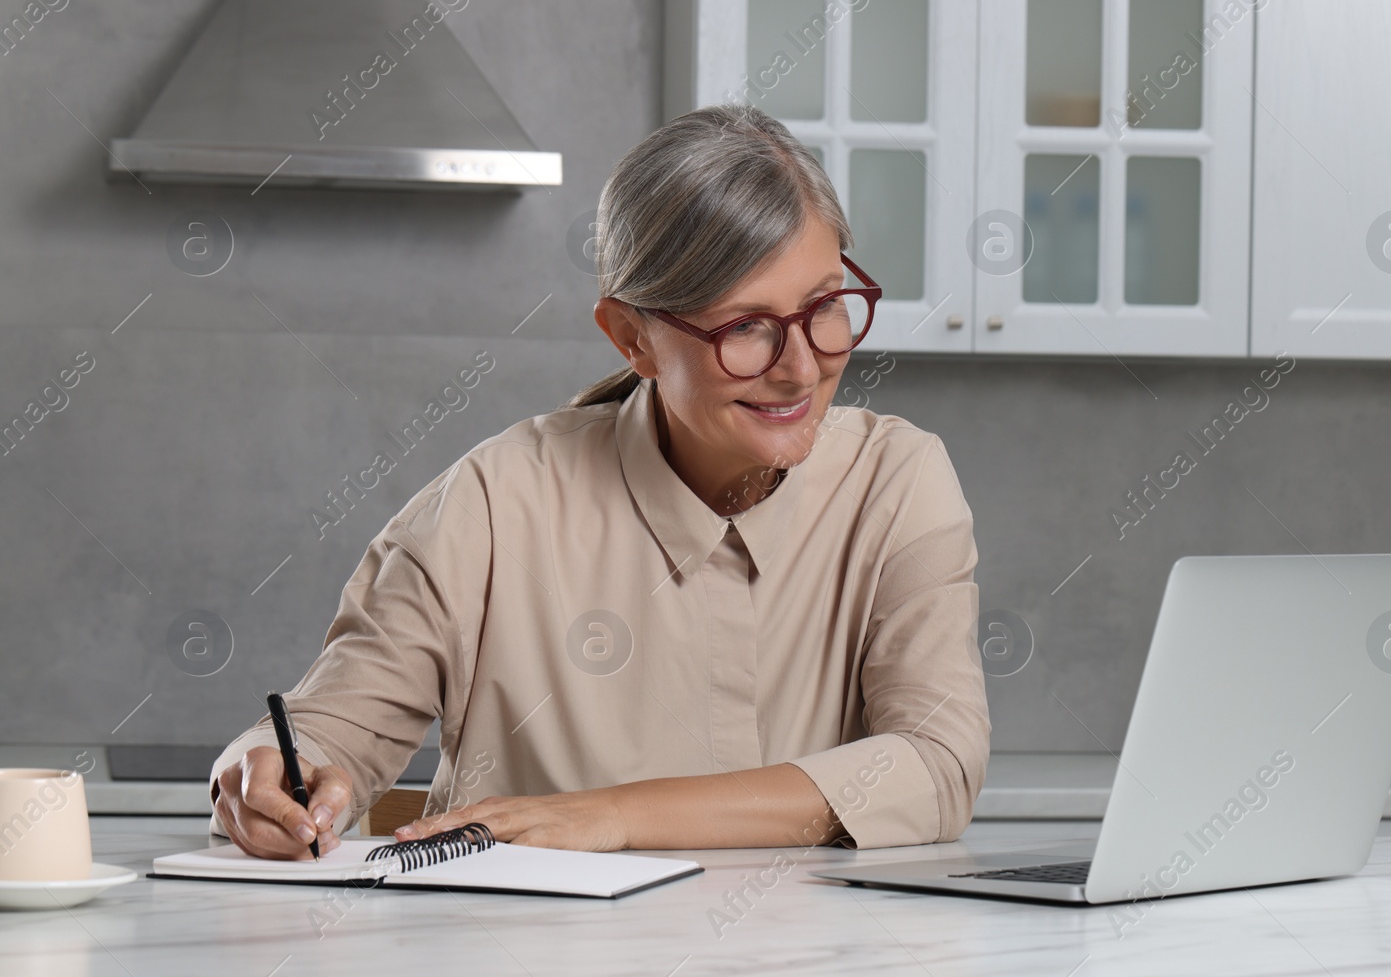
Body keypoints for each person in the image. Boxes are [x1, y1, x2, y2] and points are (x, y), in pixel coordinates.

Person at [208, 104, 989, 859]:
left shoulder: (898, 482)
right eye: (746, 326)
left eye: (825, 307)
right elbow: (331, 730)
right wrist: (273, 773)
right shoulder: (491, 503)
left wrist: (614, 814)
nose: (801, 366)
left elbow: (937, 764)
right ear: (632, 337)